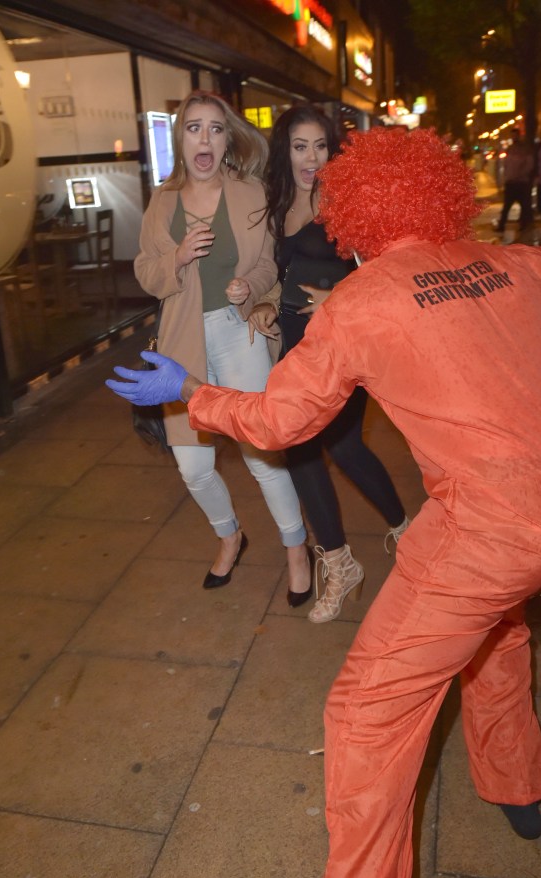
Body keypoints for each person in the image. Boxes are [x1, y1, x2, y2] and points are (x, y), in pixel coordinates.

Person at [108, 134, 541, 878]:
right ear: (442, 201)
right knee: (491, 623)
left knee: (365, 717)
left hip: (498, 529)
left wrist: (189, 391)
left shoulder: (360, 302)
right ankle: (516, 787)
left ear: (352, 222)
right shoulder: (514, 261)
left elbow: (279, 422)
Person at [134, 90, 310, 601]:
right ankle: (230, 535)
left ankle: (296, 548)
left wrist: (249, 289)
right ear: (181, 139)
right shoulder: (162, 202)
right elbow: (146, 271)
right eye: (194, 128)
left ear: (227, 137)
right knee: (193, 464)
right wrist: (178, 259)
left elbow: (268, 264)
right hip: (182, 342)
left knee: (262, 454)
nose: (204, 138)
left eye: (214, 128)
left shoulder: (250, 192)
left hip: (239, 332)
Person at [248, 104, 409, 624]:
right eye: (300, 146)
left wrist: (335, 297)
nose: (311, 157)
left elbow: (384, 267)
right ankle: (339, 562)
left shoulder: (345, 200)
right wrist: (267, 301)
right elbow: (283, 269)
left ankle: (407, 531)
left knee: (343, 444)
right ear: (286, 150)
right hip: (296, 343)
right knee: (299, 451)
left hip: (342, 338)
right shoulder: (277, 202)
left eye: (319, 146)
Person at [495, 127, 534, 234]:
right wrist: (506, 179)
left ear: (519, 135)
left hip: (521, 182)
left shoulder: (525, 149)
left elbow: (529, 164)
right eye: (512, 135)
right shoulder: (510, 149)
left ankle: (523, 224)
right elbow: (506, 165)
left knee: (524, 205)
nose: (513, 137)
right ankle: (502, 225)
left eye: (515, 135)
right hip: (511, 182)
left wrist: (522, 174)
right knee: (507, 206)